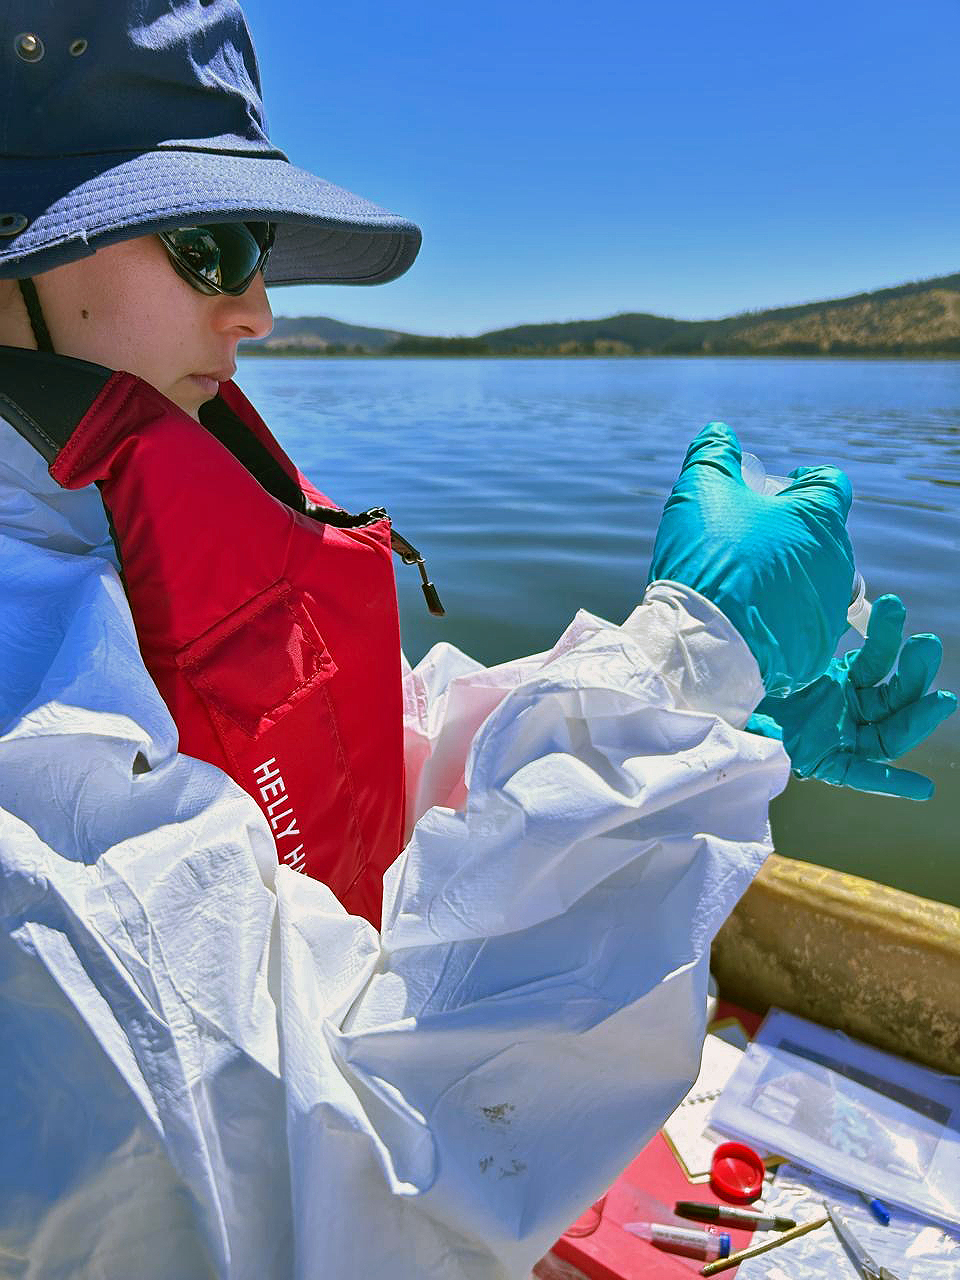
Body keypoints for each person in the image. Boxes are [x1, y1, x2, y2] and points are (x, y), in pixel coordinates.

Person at [0, 3, 953, 1278]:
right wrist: (675, 666)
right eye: (213, 246)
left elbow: (367, 758)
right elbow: (368, 1202)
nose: (263, 312)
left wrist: (713, 716)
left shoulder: (77, 532)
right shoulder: (31, 751)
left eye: (257, 248)